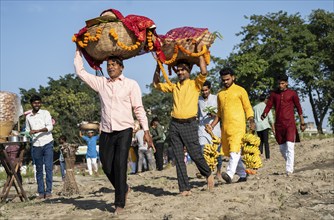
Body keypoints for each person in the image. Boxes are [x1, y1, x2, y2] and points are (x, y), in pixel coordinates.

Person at [74, 47, 153, 214]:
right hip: (107, 131)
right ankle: (123, 187)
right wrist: (78, 52)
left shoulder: (131, 84)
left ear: (121, 67)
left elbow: (138, 108)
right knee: (107, 165)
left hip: (125, 130)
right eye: (109, 65)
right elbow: (80, 72)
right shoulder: (101, 83)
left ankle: (120, 203)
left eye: (114, 65)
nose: (110, 67)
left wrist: (146, 130)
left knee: (120, 165)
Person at [153, 43, 214, 196]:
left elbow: (204, 71)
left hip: (190, 124)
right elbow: (155, 84)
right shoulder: (174, 86)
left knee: (195, 154)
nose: (180, 72)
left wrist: (200, 53)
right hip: (174, 125)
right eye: (178, 70)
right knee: (178, 157)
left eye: (183, 70)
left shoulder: (195, 84)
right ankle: (184, 188)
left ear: (189, 71)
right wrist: (158, 65)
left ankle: (208, 174)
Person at [208, 67, 255, 184]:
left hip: (238, 126)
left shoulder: (240, 90)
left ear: (233, 77)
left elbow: (248, 107)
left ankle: (229, 174)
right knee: (233, 153)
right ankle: (243, 175)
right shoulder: (220, 94)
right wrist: (212, 125)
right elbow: (219, 113)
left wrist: (251, 120)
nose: (225, 82)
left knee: (235, 149)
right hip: (226, 128)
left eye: (228, 79)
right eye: (223, 80)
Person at [261, 74, 306, 176]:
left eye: (282, 83)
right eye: (279, 83)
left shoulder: (292, 93)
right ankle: (290, 163)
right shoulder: (273, 94)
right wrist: (264, 114)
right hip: (279, 125)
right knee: (282, 149)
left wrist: (302, 122)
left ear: (286, 83)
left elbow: (298, 107)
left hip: (290, 124)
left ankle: (289, 170)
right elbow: (269, 105)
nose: (280, 85)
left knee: (290, 147)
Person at [25, 95, 54, 199]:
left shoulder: (45, 113)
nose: (37, 104)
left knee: (48, 167)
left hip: (47, 142)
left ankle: (49, 191)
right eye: (35, 103)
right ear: (31, 104)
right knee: (38, 169)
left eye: (38, 103)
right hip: (36, 144)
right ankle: (41, 192)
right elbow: (28, 130)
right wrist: (28, 133)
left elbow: (50, 127)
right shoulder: (28, 117)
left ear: (40, 103)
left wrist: (38, 131)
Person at [198, 80, 223, 182]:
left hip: (215, 130)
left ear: (210, 89)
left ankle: (218, 172)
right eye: (203, 90)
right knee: (203, 151)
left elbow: (220, 115)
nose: (205, 92)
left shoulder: (216, 98)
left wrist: (213, 117)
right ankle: (208, 174)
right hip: (202, 129)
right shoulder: (198, 100)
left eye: (206, 90)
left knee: (217, 153)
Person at [253, 94, 275, 160]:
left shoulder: (255, 108)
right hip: (265, 125)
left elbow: (253, 118)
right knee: (266, 142)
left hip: (258, 126)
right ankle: (267, 157)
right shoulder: (267, 107)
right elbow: (271, 118)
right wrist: (273, 128)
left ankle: (260, 155)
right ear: (265, 99)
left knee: (260, 142)